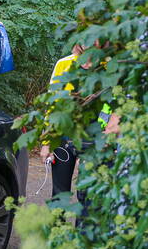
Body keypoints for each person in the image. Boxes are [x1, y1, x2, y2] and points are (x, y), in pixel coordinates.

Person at [39, 44, 118, 196]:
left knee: (87, 196)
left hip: (97, 139)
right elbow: (52, 106)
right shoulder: (64, 64)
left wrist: (110, 135)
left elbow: (116, 104)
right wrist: (46, 142)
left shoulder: (110, 66)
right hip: (64, 137)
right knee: (59, 195)